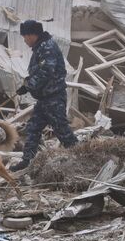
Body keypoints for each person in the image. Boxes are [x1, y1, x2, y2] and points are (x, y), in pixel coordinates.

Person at [9, 20, 79, 172]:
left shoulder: (47, 47)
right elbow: (39, 72)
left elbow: (46, 72)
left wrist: (28, 86)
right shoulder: (40, 47)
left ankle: (81, 158)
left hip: (53, 98)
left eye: (25, 36)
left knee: (62, 131)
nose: (24, 40)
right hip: (44, 99)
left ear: (33, 35)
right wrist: (26, 85)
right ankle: (27, 160)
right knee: (33, 129)